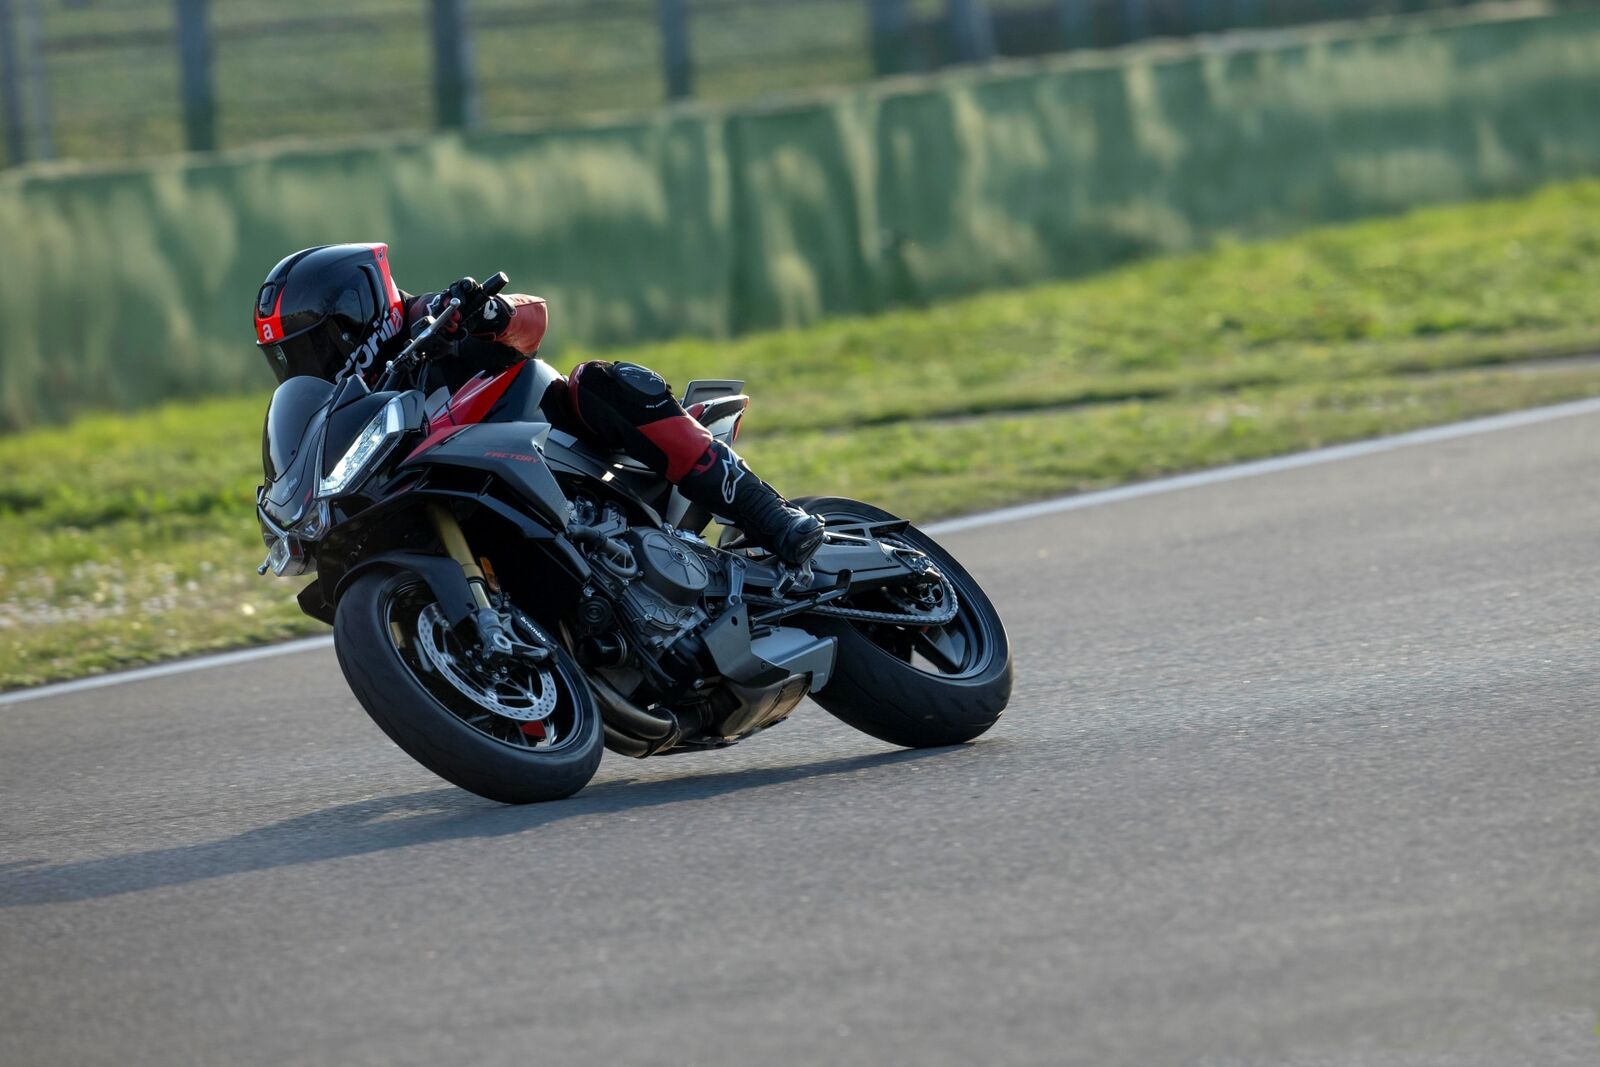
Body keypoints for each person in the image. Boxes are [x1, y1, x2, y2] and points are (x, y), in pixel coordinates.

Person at [251, 242, 823, 567]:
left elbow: (532, 321)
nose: (306, 366)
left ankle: (770, 514)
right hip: (456, 500)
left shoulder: (436, 317)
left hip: (553, 448)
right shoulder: (351, 409)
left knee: (600, 381)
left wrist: (490, 314)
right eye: (287, 357)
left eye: (310, 347)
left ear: (355, 314)